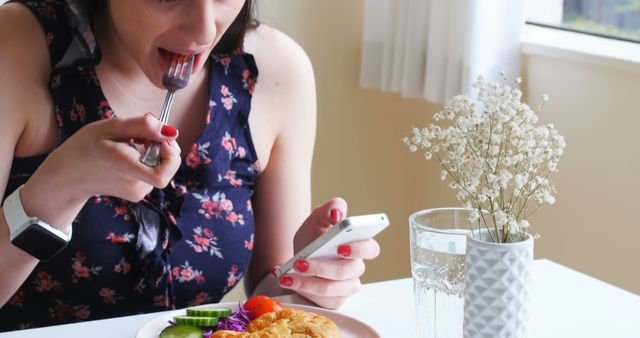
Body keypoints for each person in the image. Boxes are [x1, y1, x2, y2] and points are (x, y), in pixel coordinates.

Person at [0, 0, 381, 331]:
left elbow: (267, 298)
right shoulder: (14, 44)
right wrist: (59, 186)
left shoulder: (275, 71)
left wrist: (309, 279)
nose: (204, 28)